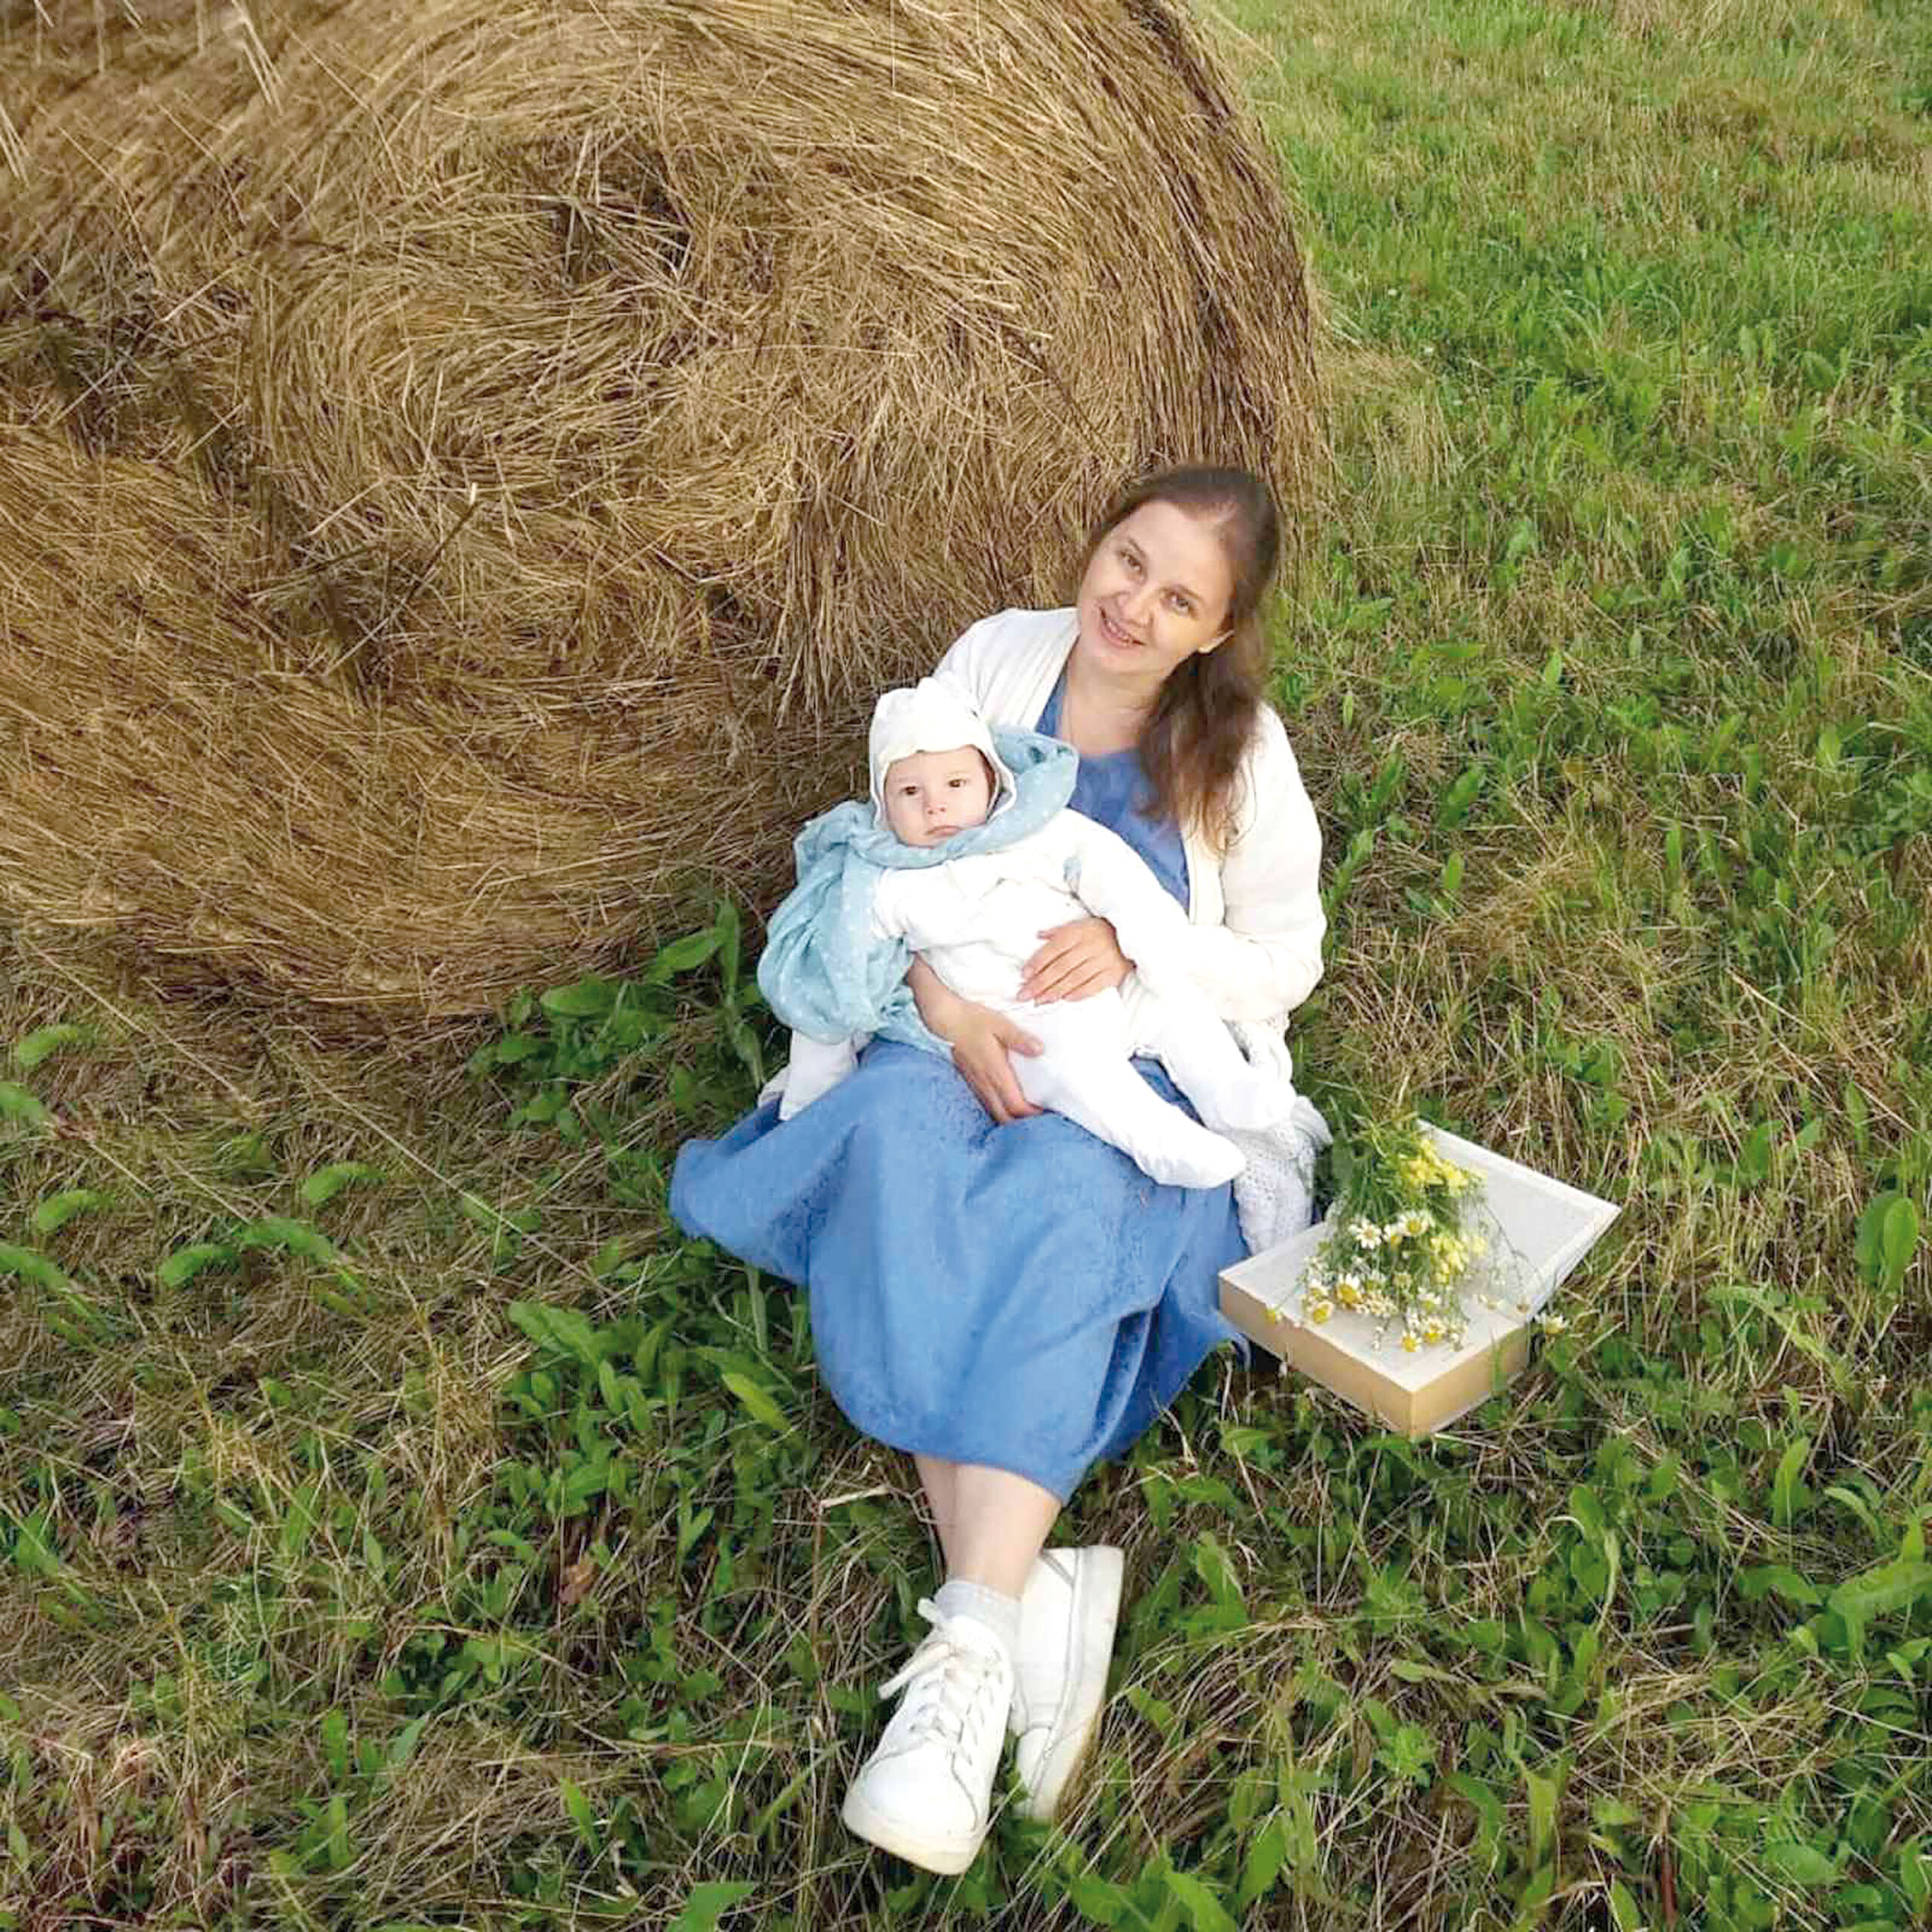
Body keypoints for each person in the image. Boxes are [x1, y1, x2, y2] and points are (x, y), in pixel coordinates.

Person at [671, 466, 1325, 1875]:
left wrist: (1142, 942)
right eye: (1127, 557)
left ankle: (965, 1656)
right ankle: (1026, 1594)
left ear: (1217, 632)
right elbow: (883, 863)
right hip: (942, 1032)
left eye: (1179, 598)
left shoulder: (1240, 756)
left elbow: (1286, 958)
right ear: (1095, 538)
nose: (1131, 604)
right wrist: (946, 1005)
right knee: (896, 1165)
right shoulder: (994, 660)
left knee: (1065, 1209)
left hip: (1124, 1056)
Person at [762, 674, 1297, 1188]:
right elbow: (833, 978)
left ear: (991, 781)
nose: (936, 805)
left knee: (1175, 1006)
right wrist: (812, 1099)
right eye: (909, 792)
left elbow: (1111, 870)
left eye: (955, 784)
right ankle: (1159, 1142)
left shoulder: (1034, 829)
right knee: (1078, 1072)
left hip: (1107, 982)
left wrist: (1146, 944)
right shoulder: (887, 881)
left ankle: (1227, 1088)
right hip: (1022, 1019)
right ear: (883, 805)